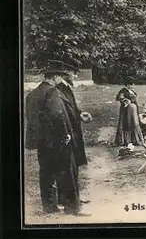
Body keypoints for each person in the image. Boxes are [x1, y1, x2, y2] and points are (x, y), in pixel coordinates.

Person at [54, 59, 93, 215]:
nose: (76, 75)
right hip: (68, 133)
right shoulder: (60, 89)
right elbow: (62, 112)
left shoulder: (66, 87)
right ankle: (69, 201)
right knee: (68, 167)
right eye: (74, 73)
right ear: (67, 73)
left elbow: (71, 109)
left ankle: (72, 197)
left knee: (74, 165)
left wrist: (80, 114)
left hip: (73, 131)